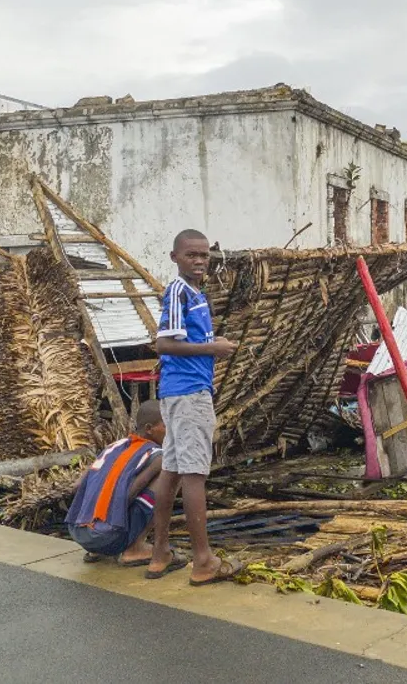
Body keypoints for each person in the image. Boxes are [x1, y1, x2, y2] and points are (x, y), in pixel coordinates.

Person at [147, 229, 243, 585]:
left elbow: (186, 339)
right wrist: (212, 350)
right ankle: (203, 560)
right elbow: (164, 344)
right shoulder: (178, 292)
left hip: (183, 392)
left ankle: (160, 552)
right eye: (191, 255)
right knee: (194, 474)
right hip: (188, 394)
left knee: (171, 470)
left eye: (204, 255)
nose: (200, 261)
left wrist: (210, 341)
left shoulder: (196, 294)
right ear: (175, 258)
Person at [65, 399, 166, 566]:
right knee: (170, 474)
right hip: (107, 537)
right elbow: (127, 496)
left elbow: (77, 485)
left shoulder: (114, 446)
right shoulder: (157, 455)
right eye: (167, 424)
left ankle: (95, 549)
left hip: (78, 533)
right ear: (149, 429)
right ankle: (135, 549)